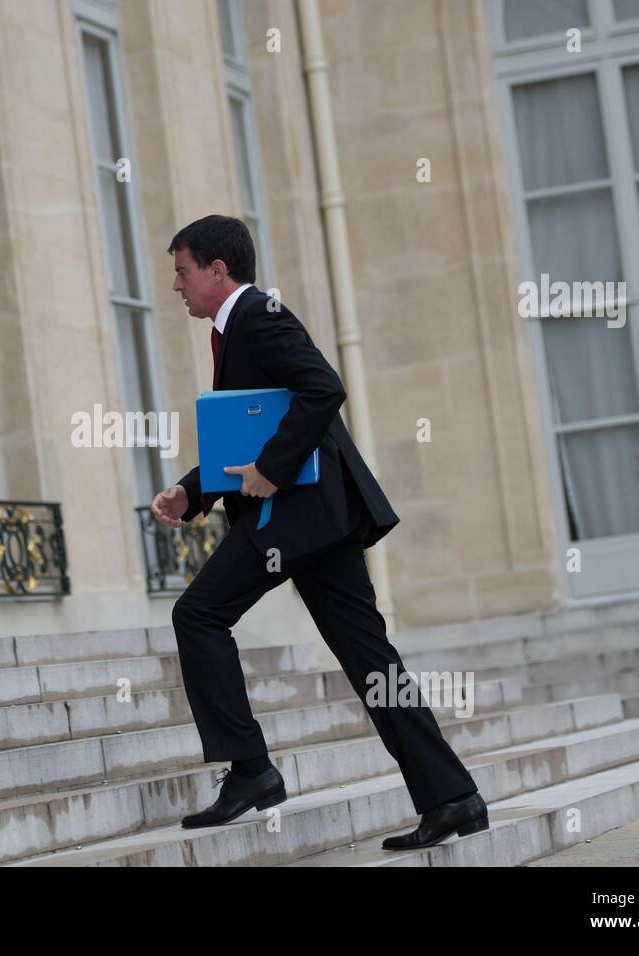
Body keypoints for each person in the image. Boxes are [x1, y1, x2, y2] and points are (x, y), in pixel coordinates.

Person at [152, 214, 487, 850]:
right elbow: (252, 431)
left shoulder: (258, 316)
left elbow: (322, 388)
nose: (177, 286)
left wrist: (272, 474)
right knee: (371, 662)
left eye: (182, 271)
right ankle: (453, 799)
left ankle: (250, 770)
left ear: (217, 271)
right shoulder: (238, 326)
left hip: (296, 520)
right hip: (317, 523)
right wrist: (191, 491)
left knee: (198, 614)